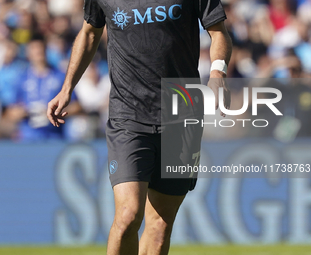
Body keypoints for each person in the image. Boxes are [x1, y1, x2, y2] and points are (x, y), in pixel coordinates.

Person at [47, 0, 232, 254]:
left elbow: (218, 31)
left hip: (181, 112)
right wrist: (67, 88)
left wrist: (217, 74)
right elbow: (90, 33)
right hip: (128, 115)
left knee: (160, 225)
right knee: (127, 215)